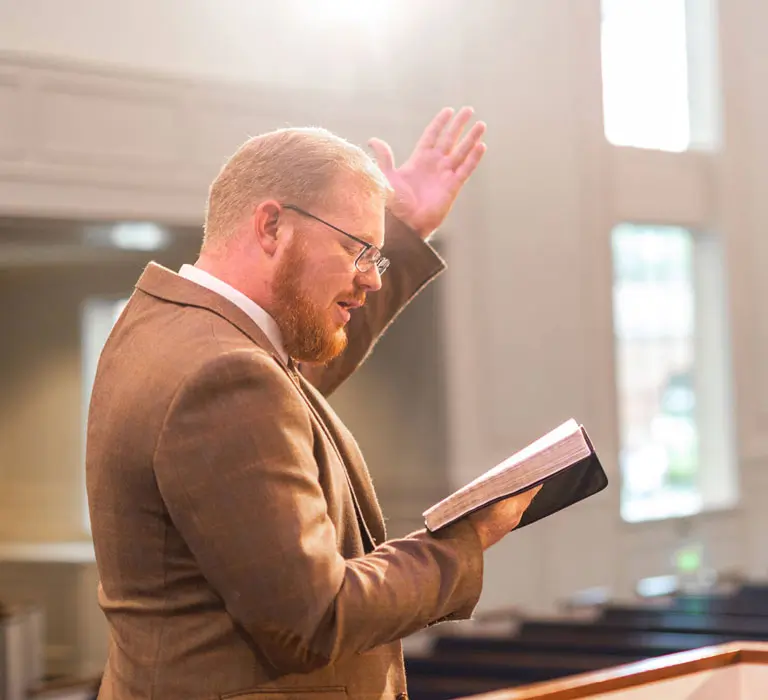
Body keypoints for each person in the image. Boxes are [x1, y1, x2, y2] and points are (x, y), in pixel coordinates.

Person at [86, 107, 540, 700]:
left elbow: (290, 376)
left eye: (374, 258)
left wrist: (397, 237)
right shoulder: (225, 375)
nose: (371, 278)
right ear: (272, 226)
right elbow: (315, 618)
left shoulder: (168, 326)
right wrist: (465, 539)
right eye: (357, 250)